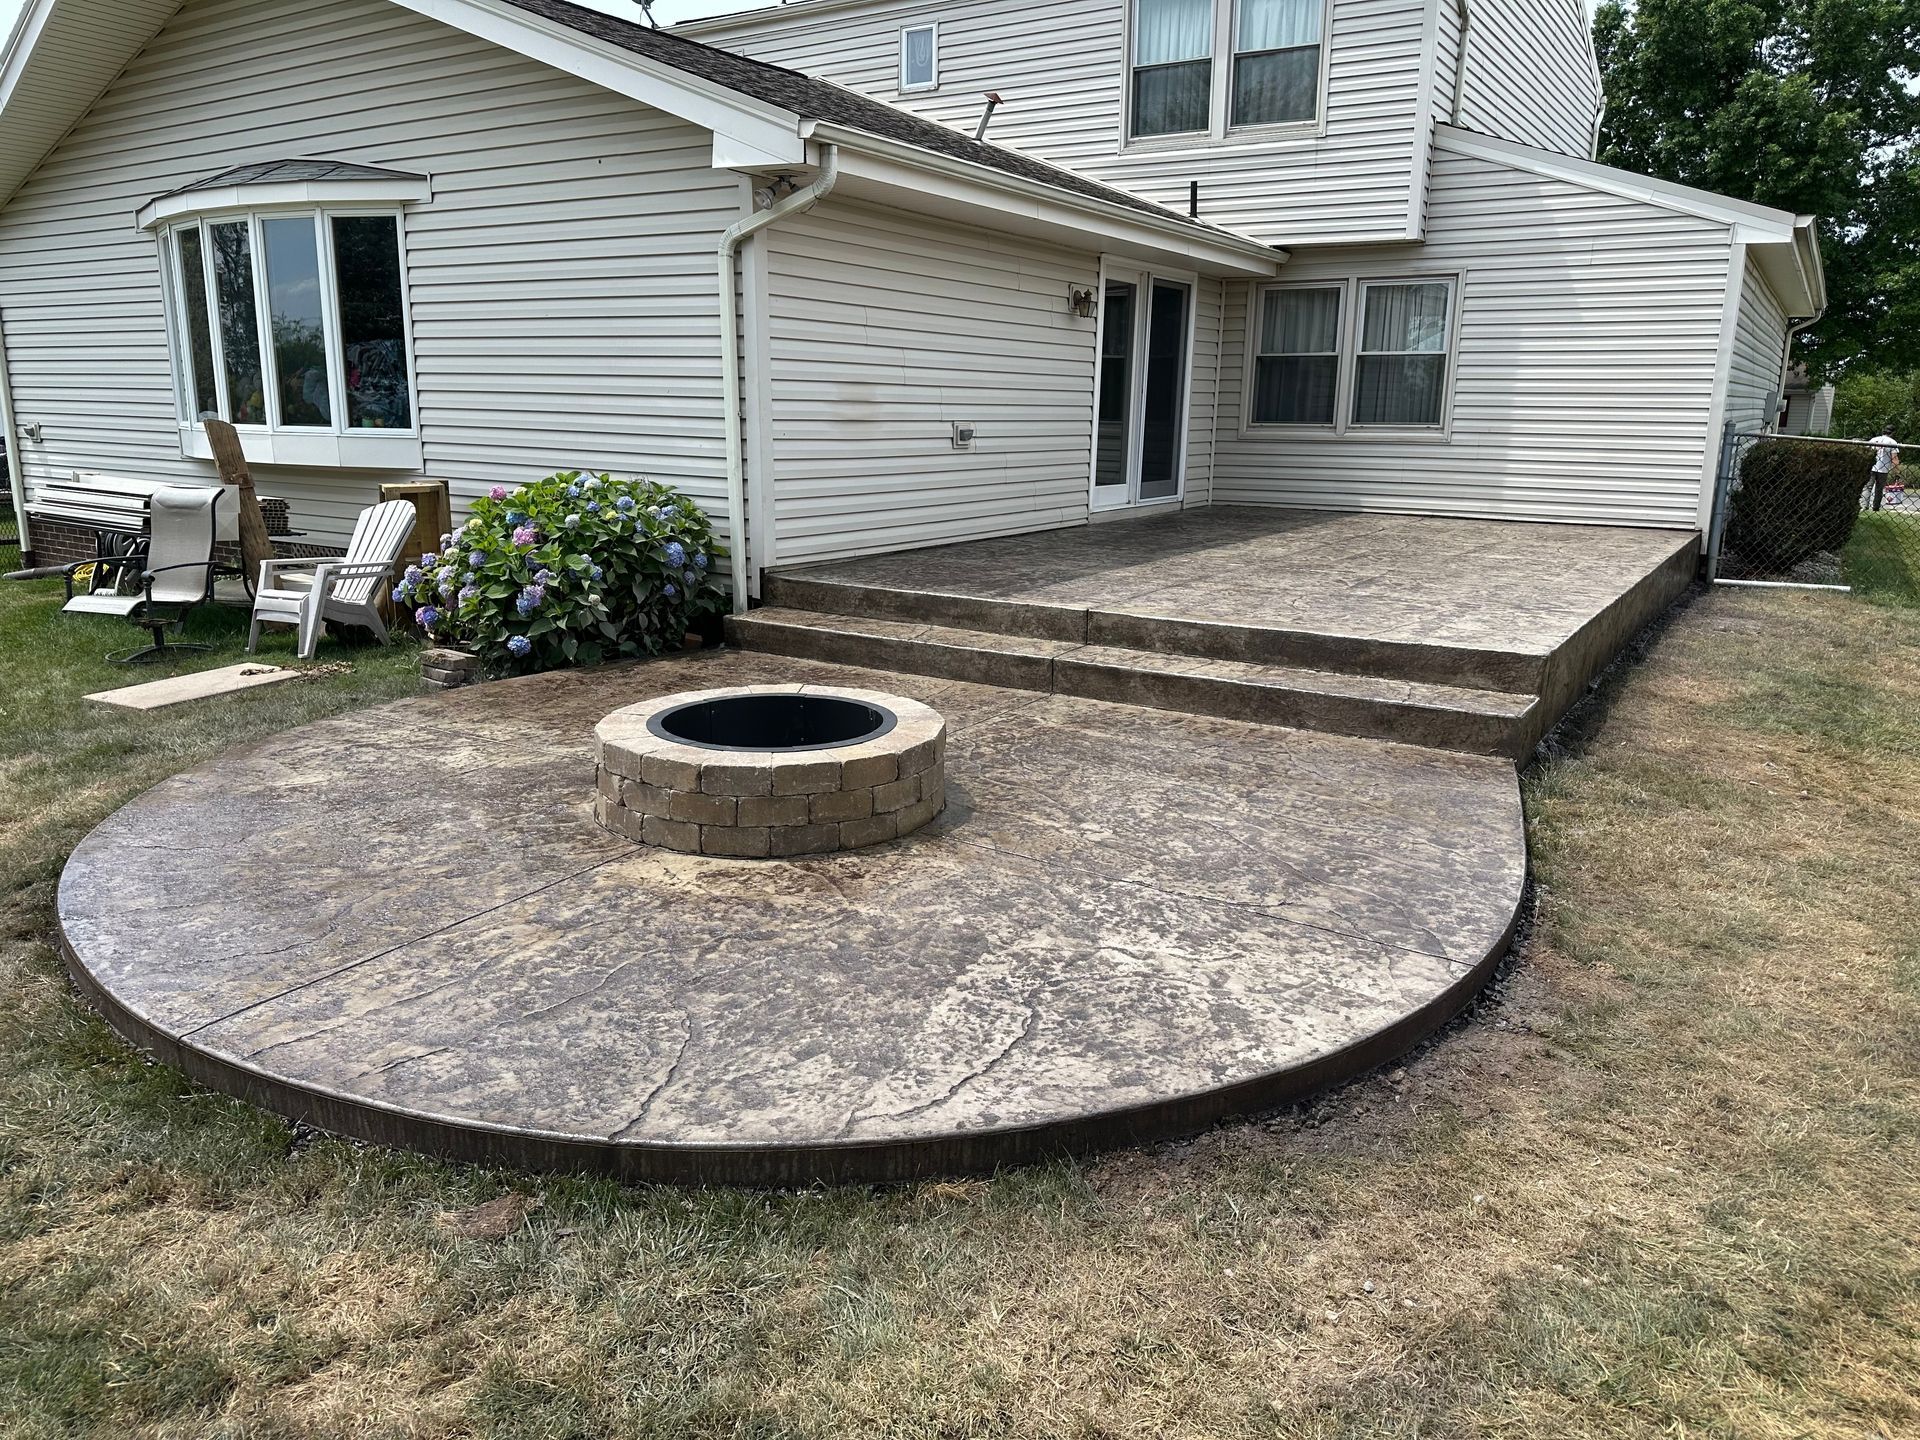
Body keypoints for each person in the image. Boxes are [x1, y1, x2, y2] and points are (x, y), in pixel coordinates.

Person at [1870, 427, 1901, 511]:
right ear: (1892, 433)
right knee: (1879, 489)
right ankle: (1875, 507)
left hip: (1871, 466)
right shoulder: (1892, 442)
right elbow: (1894, 458)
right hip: (1883, 469)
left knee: (1868, 487)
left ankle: (1864, 506)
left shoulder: (1874, 439)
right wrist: (1897, 472)